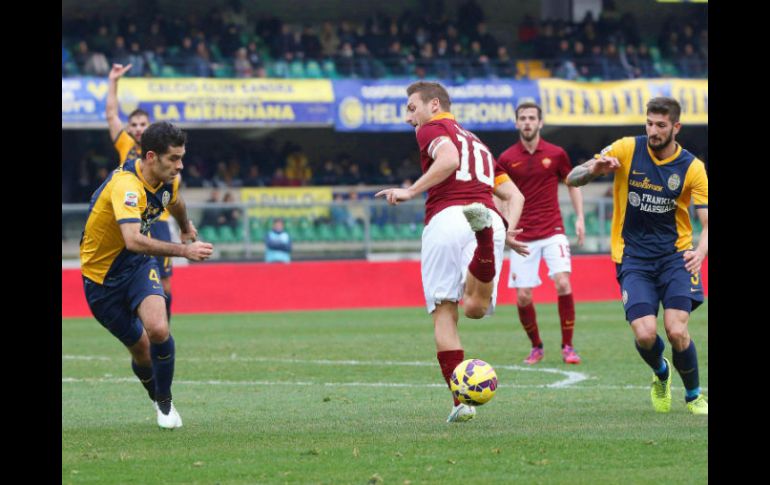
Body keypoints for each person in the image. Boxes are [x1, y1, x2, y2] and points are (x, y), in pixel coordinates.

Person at [375, 81, 528, 423]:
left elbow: (448, 158)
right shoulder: (480, 145)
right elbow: (515, 197)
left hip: (446, 218)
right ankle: (487, 239)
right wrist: (509, 230)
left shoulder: (431, 129)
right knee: (475, 307)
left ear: (433, 104)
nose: (407, 118)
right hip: (487, 216)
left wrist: (411, 191)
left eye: (411, 108)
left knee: (445, 314)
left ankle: (460, 403)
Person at [565, 97, 708, 415]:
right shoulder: (627, 148)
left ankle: (694, 395)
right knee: (645, 335)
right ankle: (661, 373)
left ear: (676, 127)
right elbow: (572, 178)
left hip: (675, 257)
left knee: (676, 330)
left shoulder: (693, 168)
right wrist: (593, 170)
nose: (653, 131)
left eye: (660, 125)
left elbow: (706, 222)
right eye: (649, 123)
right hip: (633, 258)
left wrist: (700, 251)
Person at [80, 121, 214, 428]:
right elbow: (132, 238)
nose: (180, 166)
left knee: (158, 329)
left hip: (137, 265)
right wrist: (185, 252)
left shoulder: (169, 180)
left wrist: (184, 226)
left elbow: (176, 202)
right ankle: (154, 395)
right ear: (151, 156)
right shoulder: (126, 187)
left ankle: (165, 405)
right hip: (101, 281)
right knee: (141, 350)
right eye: (173, 159)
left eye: (182, 157)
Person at [497, 102, 585, 366]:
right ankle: (536, 347)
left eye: (531, 118)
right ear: (516, 123)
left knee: (563, 283)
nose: (527, 122)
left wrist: (580, 217)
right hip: (522, 234)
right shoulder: (506, 158)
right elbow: (500, 194)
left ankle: (568, 346)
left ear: (540, 122)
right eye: (522, 118)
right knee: (523, 295)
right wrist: (505, 225)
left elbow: (574, 184)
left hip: (552, 229)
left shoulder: (556, 154)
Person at [107, 63, 177, 323]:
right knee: (137, 282)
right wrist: (114, 81)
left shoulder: (161, 150)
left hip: (159, 222)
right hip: (133, 223)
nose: (137, 128)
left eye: (142, 124)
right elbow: (111, 114)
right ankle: (143, 332)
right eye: (133, 124)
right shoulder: (126, 146)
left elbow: (175, 183)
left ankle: (163, 334)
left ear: (150, 127)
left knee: (166, 287)